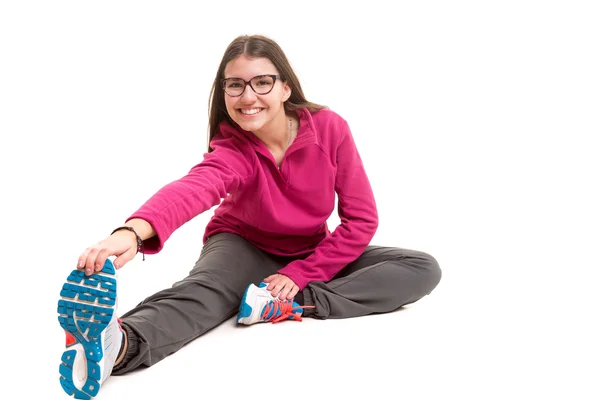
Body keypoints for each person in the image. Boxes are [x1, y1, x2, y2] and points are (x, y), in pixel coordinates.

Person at [56, 34, 442, 399]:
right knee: (205, 292)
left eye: (262, 82)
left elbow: (361, 220)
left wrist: (299, 276)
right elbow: (194, 188)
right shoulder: (233, 148)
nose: (248, 96)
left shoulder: (329, 128)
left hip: (309, 251)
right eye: (235, 85)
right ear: (224, 92)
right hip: (242, 245)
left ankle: (289, 302)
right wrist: (133, 232)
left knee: (420, 267)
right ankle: (118, 347)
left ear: (285, 88)